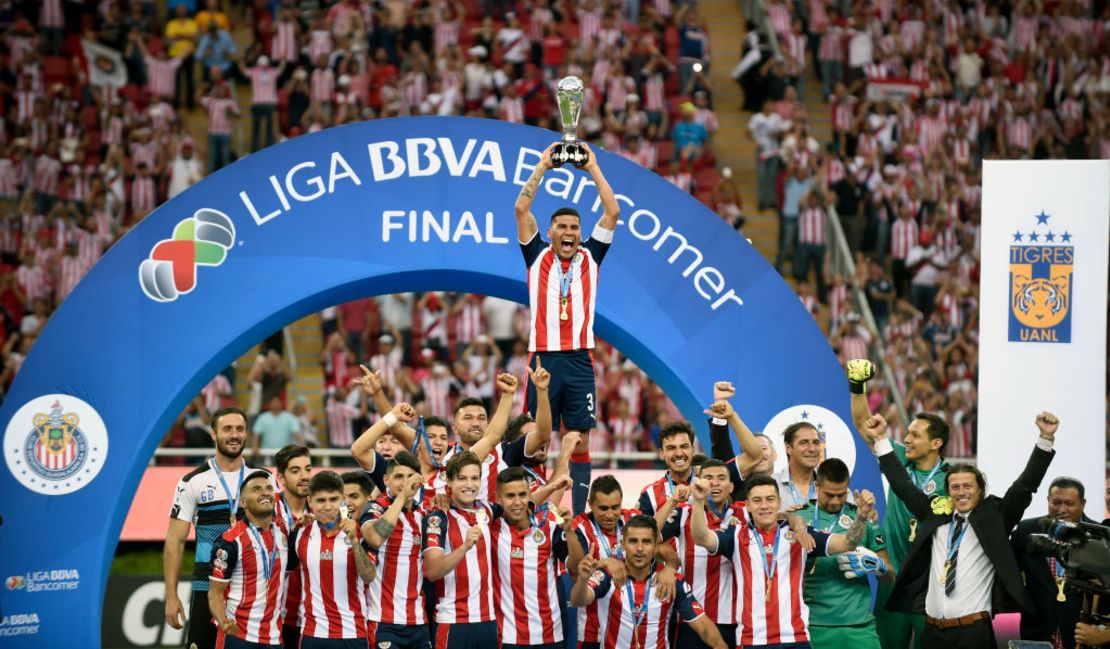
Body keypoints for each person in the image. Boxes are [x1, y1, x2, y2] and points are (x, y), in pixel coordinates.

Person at [857, 411, 1058, 649]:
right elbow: (901, 483)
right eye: (954, 487)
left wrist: (1045, 440)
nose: (960, 492)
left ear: (980, 490)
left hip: (973, 632)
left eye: (967, 486)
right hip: (932, 631)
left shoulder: (995, 519)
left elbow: (1025, 486)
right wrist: (880, 438)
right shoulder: (935, 514)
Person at [513, 140, 621, 514]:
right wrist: (543, 165)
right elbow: (520, 207)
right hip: (542, 358)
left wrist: (592, 168)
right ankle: (531, 507)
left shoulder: (592, 255)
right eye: (562, 226)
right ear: (551, 230)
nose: (570, 231)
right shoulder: (536, 253)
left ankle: (574, 514)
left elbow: (612, 211)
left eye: (575, 226)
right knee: (537, 437)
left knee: (578, 438)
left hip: (578, 359)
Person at [690, 473, 877, 648]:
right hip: (752, 639)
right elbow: (701, 537)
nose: (764, 506)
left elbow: (847, 543)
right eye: (757, 500)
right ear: (747, 505)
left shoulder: (800, 534)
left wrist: (860, 517)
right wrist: (698, 501)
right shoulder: (736, 535)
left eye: (770, 499)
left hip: (796, 638)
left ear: (779, 503)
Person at [846, 359, 950, 649]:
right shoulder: (900, 458)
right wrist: (857, 389)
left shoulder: (952, 478)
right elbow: (863, 425)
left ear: (936, 443)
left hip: (930, 582)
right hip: (892, 576)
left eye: (915, 435)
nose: (907, 438)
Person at [164, 406, 270, 649]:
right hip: (207, 584)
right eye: (227, 429)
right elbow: (175, 540)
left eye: (240, 429)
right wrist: (171, 596)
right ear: (213, 434)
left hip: (253, 589)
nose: (234, 435)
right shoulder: (192, 481)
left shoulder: (263, 479)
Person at [569, 515, 729, 649]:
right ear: (623, 545)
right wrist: (583, 579)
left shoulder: (673, 583)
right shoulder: (608, 576)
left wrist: (720, 645)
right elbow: (578, 600)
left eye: (646, 542)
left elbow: (703, 626)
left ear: (654, 547)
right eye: (633, 541)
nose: (639, 548)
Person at [568, 475, 681, 649]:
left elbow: (667, 551)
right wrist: (605, 562)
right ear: (590, 503)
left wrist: (670, 568)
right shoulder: (580, 527)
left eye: (615, 507)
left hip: (630, 628)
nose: (610, 514)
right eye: (603, 508)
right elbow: (577, 570)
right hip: (593, 630)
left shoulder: (632, 518)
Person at [795, 458, 894, 649]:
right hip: (813, 626)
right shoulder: (798, 518)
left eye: (841, 495)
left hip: (860, 626)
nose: (835, 501)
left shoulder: (863, 517)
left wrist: (879, 566)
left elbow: (889, 577)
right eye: (829, 495)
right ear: (816, 486)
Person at [655, 459, 747, 649]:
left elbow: (776, 518)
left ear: (731, 486)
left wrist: (792, 519)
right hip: (691, 618)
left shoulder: (745, 514)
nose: (714, 483)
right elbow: (649, 536)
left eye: (721, 478)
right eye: (708, 478)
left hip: (733, 620)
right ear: (697, 483)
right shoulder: (683, 513)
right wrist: (672, 500)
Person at [491, 467, 579, 649]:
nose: (517, 502)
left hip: (550, 635)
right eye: (510, 496)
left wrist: (569, 532)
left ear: (530, 495)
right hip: (509, 637)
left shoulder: (550, 527)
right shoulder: (490, 527)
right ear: (498, 498)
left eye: (522, 495)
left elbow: (576, 567)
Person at [288, 471, 377, 647]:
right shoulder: (300, 533)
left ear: (342, 500)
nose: (328, 507)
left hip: (352, 633)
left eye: (333, 499)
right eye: (321, 500)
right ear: (310, 502)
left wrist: (353, 540)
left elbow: (369, 576)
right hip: (312, 634)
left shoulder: (361, 532)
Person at [421, 451, 499, 648]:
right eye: (462, 478)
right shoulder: (438, 518)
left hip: (487, 621)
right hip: (452, 622)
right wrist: (464, 547)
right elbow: (432, 571)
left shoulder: (487, 510)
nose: (469, 485)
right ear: (449, 481)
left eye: (474, 478)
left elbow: (519, 505)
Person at [1011, 477, 1099, 648]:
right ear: (1048, 501)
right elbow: (1009, 571)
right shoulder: (1026, 530)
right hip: (1036, 631)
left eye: (1069, 503)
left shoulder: (1097, 536)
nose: (1062, 509)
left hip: (1081, 635)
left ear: (1083, 503)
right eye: (1056, 502)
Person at [209, 469, 290, 647]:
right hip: (238, 636)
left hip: (274, 639)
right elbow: (215, 592)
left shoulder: (284, 532)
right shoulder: (230, 541)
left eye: (269, 488)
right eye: (256, 489)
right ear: (243, 503)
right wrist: (222, 620)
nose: (265, 492)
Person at [361, 451, 430, 649]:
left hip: (418, 621)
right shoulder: (376, 507)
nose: (405, 482)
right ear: (386, 480)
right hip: (383, 621)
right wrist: (401, 498)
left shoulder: (423, 515)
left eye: (410, 476)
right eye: (399, 477)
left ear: (419, 479)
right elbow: (374, 538)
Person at [273, 444, 312, 649]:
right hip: (274, 617)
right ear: (280, 478)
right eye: (295, 471)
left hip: (313, 621)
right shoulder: (268, 512)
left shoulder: (322, 509)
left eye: (307, 469)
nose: (304, 476)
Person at [636, 421, 697, 517]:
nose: (679, 453)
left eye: (684, 446)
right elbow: (640, 531)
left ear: (693, 450)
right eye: (671, 448)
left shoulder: (709, 486)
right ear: (661, 454)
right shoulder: (650, 494)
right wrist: (672, 502)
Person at [773, 420, 822, 511]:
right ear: (789, 448)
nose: (812, 449)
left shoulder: (832, 486)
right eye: (804, 442)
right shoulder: (771, 484)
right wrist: (782, 520)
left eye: (816, 443)